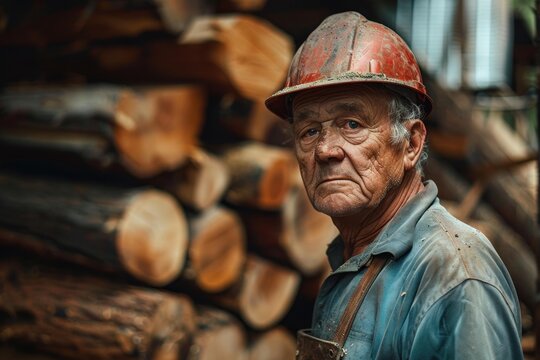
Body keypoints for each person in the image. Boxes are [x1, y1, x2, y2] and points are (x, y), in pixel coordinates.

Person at [265, 11, 523, 359]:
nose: (325, 150)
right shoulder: (357, 254)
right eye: (310, 131)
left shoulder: (454, 275)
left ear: (412, 144)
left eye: (352, 124)